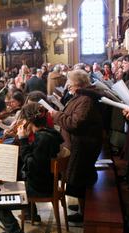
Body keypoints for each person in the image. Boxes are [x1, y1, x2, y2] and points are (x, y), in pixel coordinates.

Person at [0, 102, 63, 233]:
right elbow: (36, 160)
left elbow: (32, 166)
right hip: (44, 183)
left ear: (28, 121)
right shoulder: (49, 133)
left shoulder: (42, 138)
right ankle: (29, 213)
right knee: (10, 184)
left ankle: (14, 232)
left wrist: (24, 140)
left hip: (40, 188)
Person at [49, 69, 104, 224]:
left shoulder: (85, 99)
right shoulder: (81, 97)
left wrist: (57, 115)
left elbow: (75, 123)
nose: (68, 87)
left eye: (70, 84)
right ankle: (82, 209)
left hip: (83, 146)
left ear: (79, 84)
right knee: (78, 179)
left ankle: (86, 213)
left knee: (80, 180)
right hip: (79, 145)